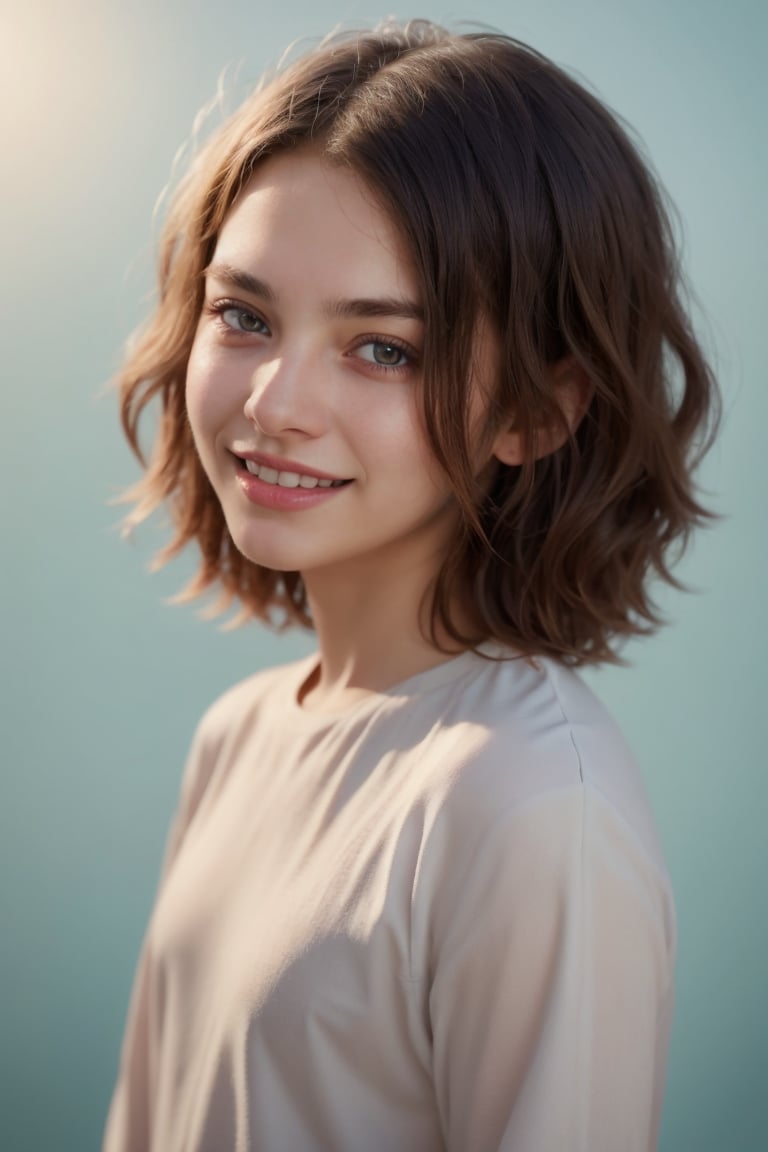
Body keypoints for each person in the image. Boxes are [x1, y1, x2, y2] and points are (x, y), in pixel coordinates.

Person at [103, 18, 719, 1152]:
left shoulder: (534, 811)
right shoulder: (236, 739)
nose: (275, 401)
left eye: (383, 347)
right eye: (243, 315)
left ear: (541, 408)